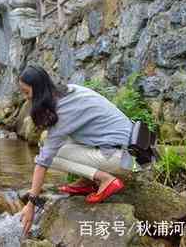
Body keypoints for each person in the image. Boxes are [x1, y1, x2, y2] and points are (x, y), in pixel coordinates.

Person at [18, 65, 136, 236]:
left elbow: (44, 161)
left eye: (26, 92)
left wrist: (31, 203)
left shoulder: (62, 111)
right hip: (131, 148)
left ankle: (105, 179)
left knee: (50, 156)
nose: (26, 98)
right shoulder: (70, 91)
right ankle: (89, 180)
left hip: (125, 157)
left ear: (38, 90)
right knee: (55, 148)